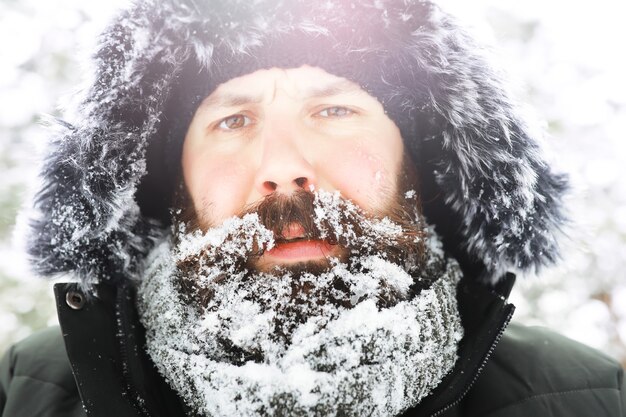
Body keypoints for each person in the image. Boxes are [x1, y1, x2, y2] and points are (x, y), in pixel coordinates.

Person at [1, 0, 624, 416]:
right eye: (233, 119)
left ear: (422, 163)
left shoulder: (586, 396)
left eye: (333, 111)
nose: (281, 167)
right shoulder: (25, 390)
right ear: (173, 186)